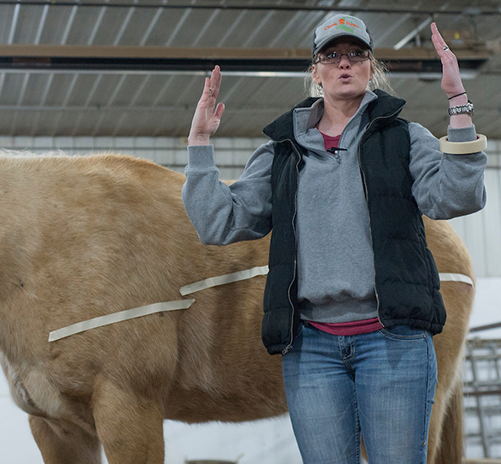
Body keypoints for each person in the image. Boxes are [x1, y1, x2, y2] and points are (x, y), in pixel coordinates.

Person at [182, 14, 487, 464]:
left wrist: (458, 103)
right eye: (331, 55)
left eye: (356, 54)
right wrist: (199, 145)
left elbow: (457, 197)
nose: (344, 64)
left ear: (369, 66)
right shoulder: (281, 152)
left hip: (394, 341)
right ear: (316, 71)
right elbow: (218, 223)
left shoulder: (404, 137)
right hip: (312, 349)